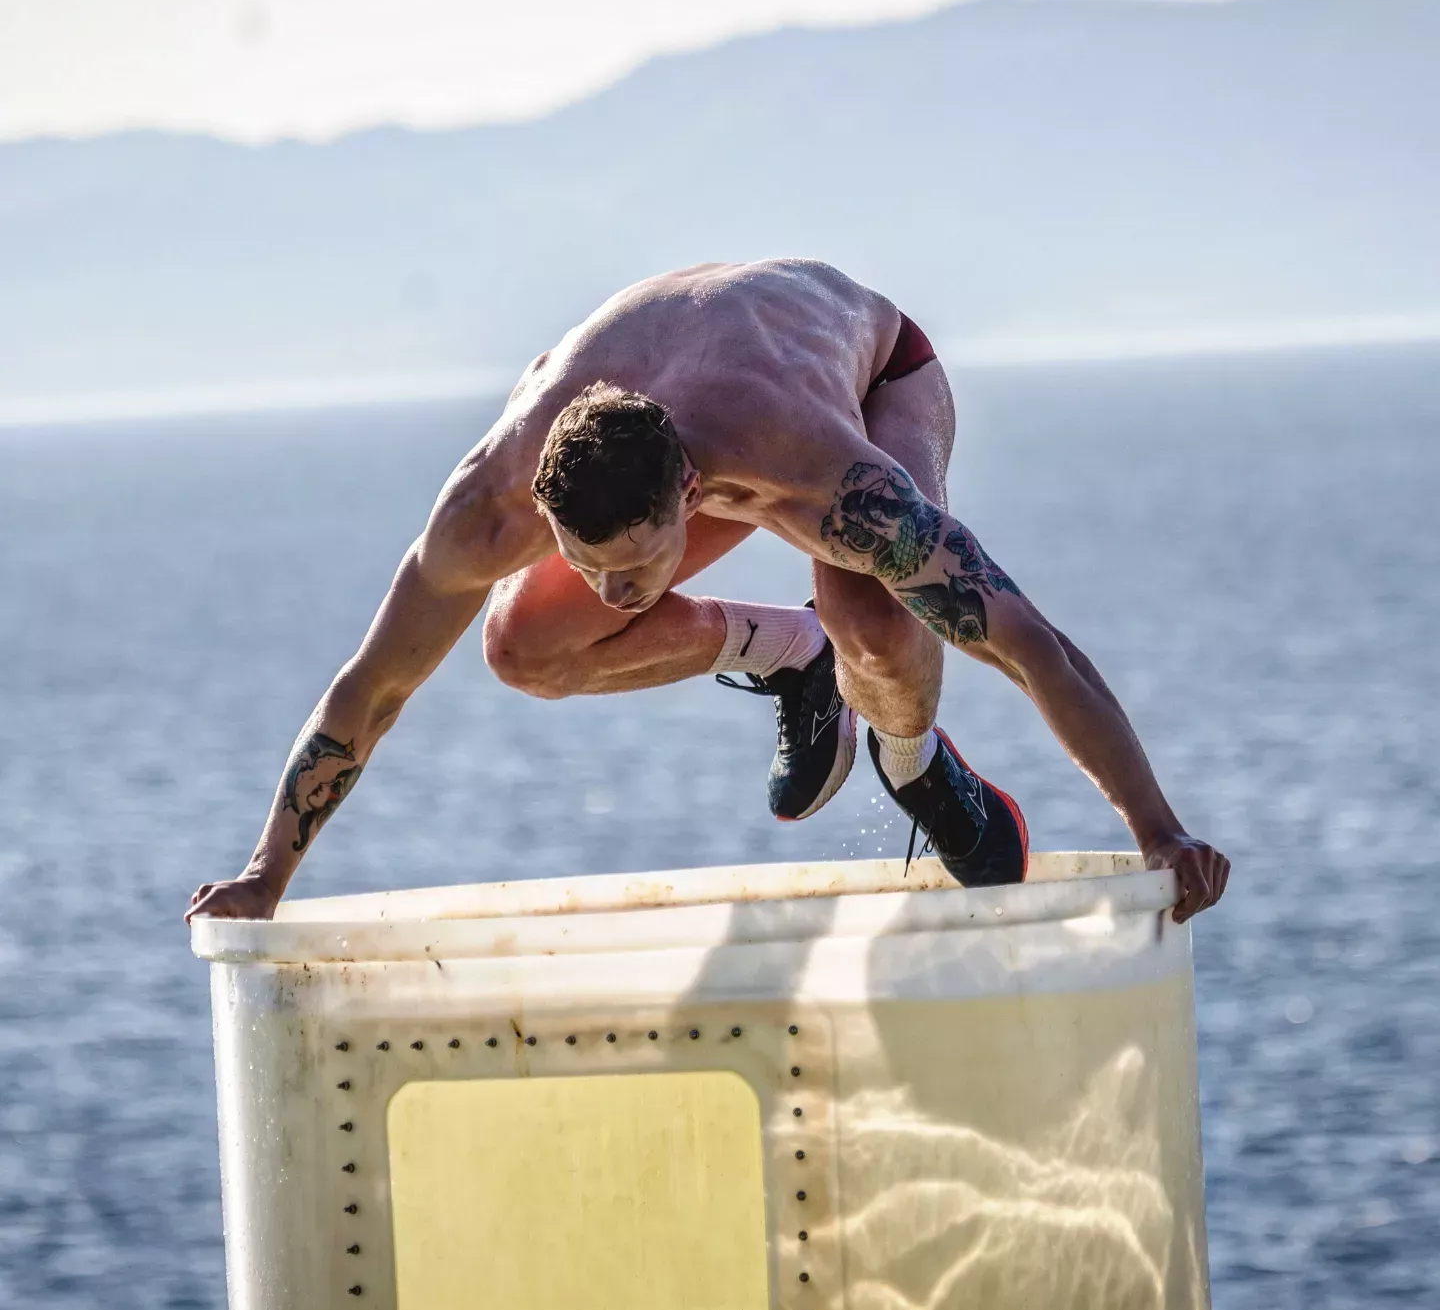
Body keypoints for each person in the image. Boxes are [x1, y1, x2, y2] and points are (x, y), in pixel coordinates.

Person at [187, 259, 1229, 924]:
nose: (617, 594)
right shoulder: (490, 504)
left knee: (874, 614)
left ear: (688, 494)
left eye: (635, 568)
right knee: (523, 649)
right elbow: (372, 686)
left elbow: (1029, 643)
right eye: (587, 562)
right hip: (696, 399)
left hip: (867, 380)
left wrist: (1158, 829)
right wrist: (265, 876)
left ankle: (912, 763)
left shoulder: (834, 484)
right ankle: (795, 658)